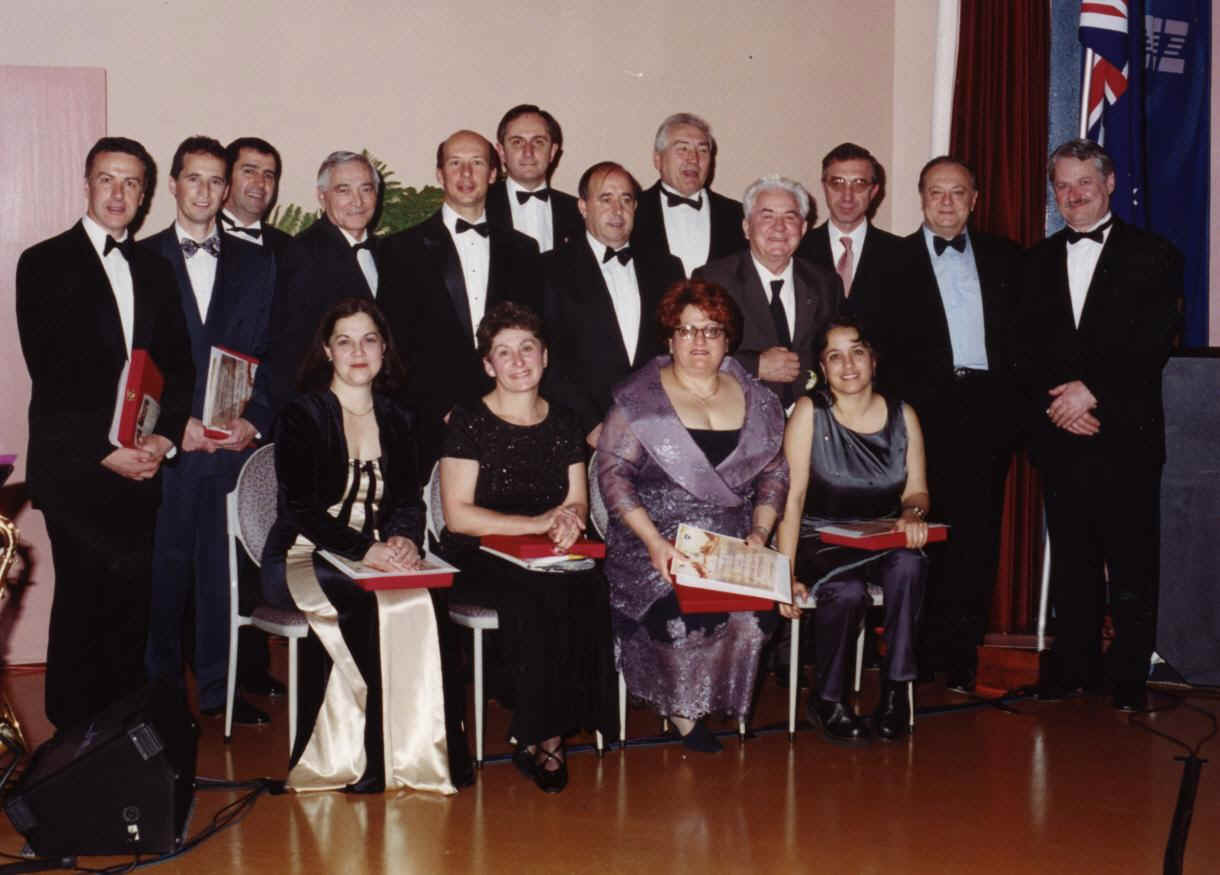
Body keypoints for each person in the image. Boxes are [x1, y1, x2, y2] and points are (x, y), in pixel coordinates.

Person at [15, 136, 194, 729]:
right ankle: (71, 741)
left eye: (131, 182)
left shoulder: (157, 270)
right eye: (107, 179)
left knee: (131, 608)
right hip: (76, 466)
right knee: (84, 602)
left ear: (144, 195)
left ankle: (119, 743)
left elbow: (179, 368)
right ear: (87, 184)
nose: (118, 193)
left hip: (141, 466)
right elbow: (52, 374)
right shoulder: (42, 262)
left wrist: (162, 441)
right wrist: (105, 450)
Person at [261, 297, 471, 793]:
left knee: (429, 599)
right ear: (327, 351)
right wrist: (365, 551)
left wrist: (403, 540)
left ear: (383, 350)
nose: (358, 352)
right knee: (361, 601)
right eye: (345, 341)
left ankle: (428, 756)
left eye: (369, 340)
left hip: (376, 550)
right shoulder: (301, 415)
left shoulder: (399, 418)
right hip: (305, 551)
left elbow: (409, 500)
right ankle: (365, 759)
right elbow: (300, 509)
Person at [1018, 139, 1183, 713]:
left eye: (1083, 182)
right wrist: (1057, 407)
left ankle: (1130, 675)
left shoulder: (1154, 255)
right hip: (1060, 432)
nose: (1073, 194)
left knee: (1133, 558)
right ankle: (1074, 668)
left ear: (1109, 184)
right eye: (1062, 185)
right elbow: (1021, 350)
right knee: (1072, 556)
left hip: (1126, 433)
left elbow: (1154, 340)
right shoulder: (1034, 261)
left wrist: (1093, 392)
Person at [598, 280, 789, 752]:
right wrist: (654, 543)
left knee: (756, 616)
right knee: (678, 612)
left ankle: (717, 698)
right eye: (686, 330)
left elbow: (774, 474)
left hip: (732, 539)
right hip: (653, 538)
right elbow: (614, 477)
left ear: (728, 339)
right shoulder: (638, 400)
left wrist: (760, 531)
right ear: (670, 339)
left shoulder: (760, 400)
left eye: (711, 330)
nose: (698, 340)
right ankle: (683, 709)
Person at [436, 301, 617, 794]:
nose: (518, 361)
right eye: (504, 352)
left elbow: (576, 500)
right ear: (488, 365)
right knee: (533, 596)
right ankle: (544, 738)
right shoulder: (468, 420)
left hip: (544, 550)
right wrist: (537, 522)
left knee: (591, 588)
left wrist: (569, 521)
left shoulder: (565, 421)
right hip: (478, 552)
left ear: (545, 356)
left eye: (527, 348)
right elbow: (458, 515)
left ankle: (561, 722)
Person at [142, 136, 284, 726]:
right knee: (162, 576)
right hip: (168, 447)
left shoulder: (258, 264)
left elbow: (276, 352)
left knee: (221, 578)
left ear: (227, 191)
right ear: (174, 184)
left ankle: (218, 693)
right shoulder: (142, 260)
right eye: (193, 178)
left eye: (215, 180)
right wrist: (175, 426)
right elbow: (133, 360)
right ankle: (159, 700)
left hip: (230, 446)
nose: (204, 191)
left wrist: (257, 417)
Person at [873, 156, 1021, 693]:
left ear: (975, 200)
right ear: (921, 198)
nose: (947, 202)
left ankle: (960, 658)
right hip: (921, 414)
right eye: (936, 192)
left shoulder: (1007, 258)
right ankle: (913, 657)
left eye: (958, 192)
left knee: (976, 538)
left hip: (986, 412)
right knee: (920, 533)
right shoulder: (891, 262)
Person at [775, 317, 930, 742]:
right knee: (846, 592)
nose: (848, 365)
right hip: (820, 539)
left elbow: (916, 491)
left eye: (857, 352)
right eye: (835, 356)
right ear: (823, 369)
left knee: (910, 565)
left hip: (881, 535)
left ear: (873, 360)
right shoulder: (809, 412)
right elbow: (792, 498)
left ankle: (897, 691)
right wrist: (784, 573)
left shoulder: (903, 415)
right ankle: (828, 699)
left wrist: (913, 514)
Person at [379, 129, 542, 467]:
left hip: (510, 416)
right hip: (432, 423)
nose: (466, 174)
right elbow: (395, 343)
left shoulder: (524, 251)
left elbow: (533, 338)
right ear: (440, 174)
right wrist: (441, 407)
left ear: (493, 174)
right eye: (455, 163)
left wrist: (508, 404)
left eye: (477, 163)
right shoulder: (401, 250)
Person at [542, 161, 684, 447]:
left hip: (657, 429)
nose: (617, 210)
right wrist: (590, 424)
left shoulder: (668, 268)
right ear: (583, 207)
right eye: (605, 199)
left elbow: (677, 349)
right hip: (580, 434)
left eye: (626, 200)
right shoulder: (549, 269)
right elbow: (549, 358)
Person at [695, 175, 843, 408]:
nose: (779, 227)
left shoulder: (825, 283)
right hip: (738, 414)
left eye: (790, 217)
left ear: (803, 228)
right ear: (747, 227)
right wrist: (755, 366)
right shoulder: (713, 281)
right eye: (767, 216)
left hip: (810, 418)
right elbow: (692, 353)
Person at [795, 142, 902, 321]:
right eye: (837, 183)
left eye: (859, 184)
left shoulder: (900, 253)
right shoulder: (798, 249)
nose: (847, 196)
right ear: (824, 187)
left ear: (873, 191)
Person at [630, 113, 746, 276]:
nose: (693, 159)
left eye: (703, 150)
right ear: (658, 159)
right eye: (683, 149)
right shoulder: (631, 212)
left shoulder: (738, 215)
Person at [486, 104, 583, 251]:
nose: (528, 152)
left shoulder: (578, 211)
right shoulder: (479, 206)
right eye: (517, 142)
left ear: (552, 152)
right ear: (501, 152)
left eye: (538, 142)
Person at [219, 137, 294, 254]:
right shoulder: (199, 236)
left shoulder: (289, 247)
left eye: (268, 175)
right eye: (249, 171)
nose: (260, 183)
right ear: (226, 177)